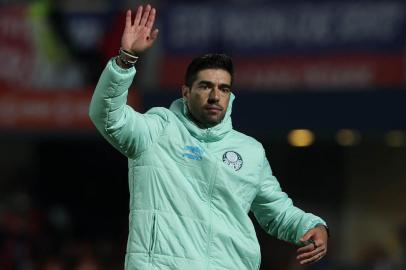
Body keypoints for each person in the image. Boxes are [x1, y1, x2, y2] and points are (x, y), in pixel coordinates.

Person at [89, 4, 329, 270]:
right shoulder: (157, 130)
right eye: (205, 86)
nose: (215, 96)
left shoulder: (250, 151)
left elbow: (276, 211)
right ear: (185, 92)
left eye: (223, 89)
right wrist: (125, 59)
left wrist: (312, 225)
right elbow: (107, 117)